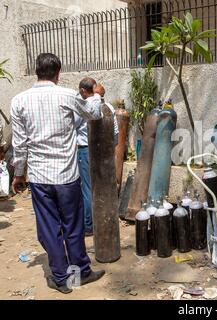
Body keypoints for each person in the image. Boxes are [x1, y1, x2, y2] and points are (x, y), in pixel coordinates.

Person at [11, 53, 106, 294]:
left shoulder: (19, 101)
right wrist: (96, 95)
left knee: (49, 228)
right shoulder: (67, 96)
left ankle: (62, 279)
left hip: (40, 178)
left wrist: (19, 174)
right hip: (66, 176)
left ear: (36, 72)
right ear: (58, 72)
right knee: (73, 226)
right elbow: (93, 114)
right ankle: (81, 273)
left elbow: (19, 145)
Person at [75, 80, 119, 236]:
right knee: (104, 186)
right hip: (105, 151)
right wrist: (109, 149)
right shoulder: (108, 107)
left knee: (88, 188)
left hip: (86, 151)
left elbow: (72, 128)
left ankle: (88, 225)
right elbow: (115, 133)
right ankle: (105, 220)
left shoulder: (83, 107)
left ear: (84, 91)